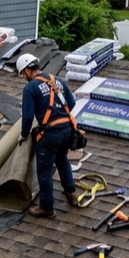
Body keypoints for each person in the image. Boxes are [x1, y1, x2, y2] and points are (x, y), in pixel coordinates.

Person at [16, 53, 78, 219]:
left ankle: (47, 208)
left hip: (51, 134)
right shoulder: (57, 80)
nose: (24, 77)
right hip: (67, 130)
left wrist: (23, 135)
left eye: (23, 74)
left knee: (44, 170)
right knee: (62, 159)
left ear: (28, 71)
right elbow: (71, 104)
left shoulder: (30, 88)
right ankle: (71, 193)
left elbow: (28, 117)